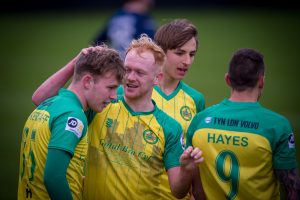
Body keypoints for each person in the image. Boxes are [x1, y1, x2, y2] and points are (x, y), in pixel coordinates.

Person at [31, 35, 204, 199]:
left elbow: (178, 192)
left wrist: (187, 169)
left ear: (157, 78)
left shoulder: (169, 127)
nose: (130, 78)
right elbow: (41, 100)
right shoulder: (100, 105)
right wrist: (75, 64)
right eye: (127, 70)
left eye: (140, 72)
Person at [186, 48, 300, 199]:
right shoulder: (278, 126)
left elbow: (194, 187)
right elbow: (292, 189)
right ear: (261, 81)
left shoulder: (199, 121)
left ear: (227, 79)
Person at [18, 45, 125, 200]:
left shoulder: (49, 105)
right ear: (87, 81)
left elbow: (38, 98)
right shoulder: (72, 116)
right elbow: (54, 177)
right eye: (111, 87)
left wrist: (77, 63)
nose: (114, 96)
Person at [117, 18, 206, 200]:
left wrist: (197, 193)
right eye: (180, 53)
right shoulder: (126, 91)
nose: (187, 61)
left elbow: (194, 155)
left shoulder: (195, 100)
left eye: (192, 54)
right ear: (162, 53)